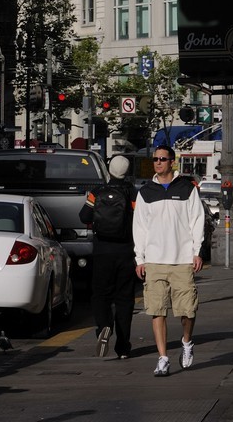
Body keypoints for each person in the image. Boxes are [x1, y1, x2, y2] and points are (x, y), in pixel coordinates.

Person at [132, 145, 206, 376]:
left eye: (163, 159)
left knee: (187, 312)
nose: (158, 162)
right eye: (155, 159)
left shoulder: (187, 188)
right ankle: (163, 357)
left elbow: (197, 220)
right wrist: (140, 258)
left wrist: (196, 251)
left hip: (182, 260)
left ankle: (186, 342)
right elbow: (140, 227)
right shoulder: (146, 192)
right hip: (154, 261)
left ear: (172, 162)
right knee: (157, 310)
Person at [80, 153, 137, 359]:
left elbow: (83, 216)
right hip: (126, 252)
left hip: (102, 250)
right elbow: (139, 221)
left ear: (109, 170)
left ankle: (104, 326)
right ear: (127, 172)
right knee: (124, 299)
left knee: (100, 294)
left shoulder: (98, 192)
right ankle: (123, 346)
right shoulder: (132, 193)